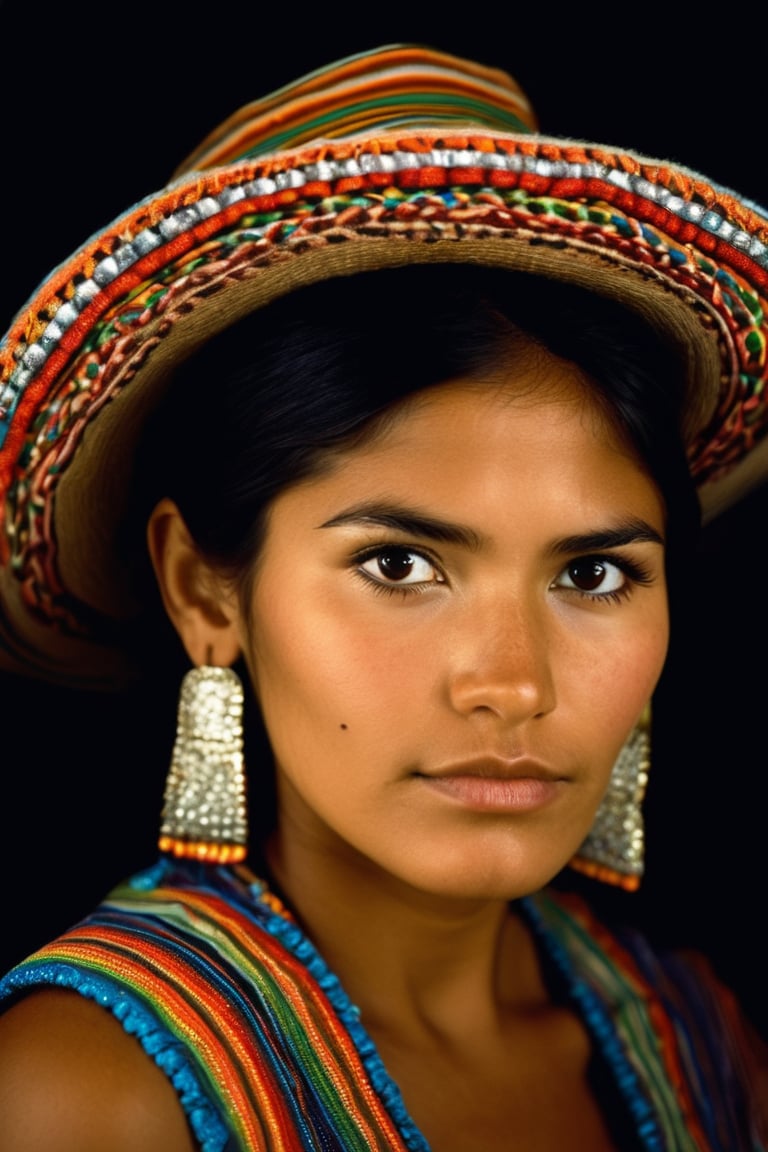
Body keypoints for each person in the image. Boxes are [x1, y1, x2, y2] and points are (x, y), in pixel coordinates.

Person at [0, 42, 765, 1151]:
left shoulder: (700, 1040)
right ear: (203, 592)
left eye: (593, 574)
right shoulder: (85, 1099)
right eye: (400, 565)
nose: (513, 683)